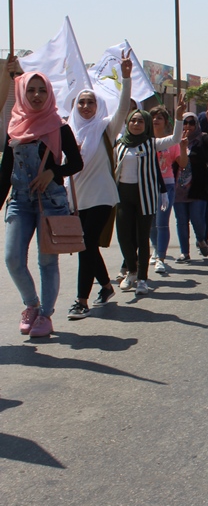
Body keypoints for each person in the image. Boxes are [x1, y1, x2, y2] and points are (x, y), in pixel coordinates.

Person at [0, 61, 84, 337]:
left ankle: (45, 316)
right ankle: (31, 304)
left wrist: (53, 172)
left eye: (42, 91)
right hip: (20, 201)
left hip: (51, 202)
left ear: (49, 94)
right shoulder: (15, 128)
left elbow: (76, 163)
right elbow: (5, 173)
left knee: (47, 261)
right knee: (12, 258)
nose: (36, 95)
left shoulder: (59, 128)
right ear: (23, 93)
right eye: (31, 90)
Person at [64, 52, 132, 320]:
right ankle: (105, 286)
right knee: (88, 246)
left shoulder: (105, 127)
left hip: (101, 198)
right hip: (76, 201)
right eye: (81, 102)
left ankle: (81, 301)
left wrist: (125, 78)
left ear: (98, 104)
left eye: (90, 102)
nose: (85, 106)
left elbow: (123, 108)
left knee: (86, 246)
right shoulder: (68, 131)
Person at [113, 101, 185, 294]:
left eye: (140, 121)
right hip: (123, 196)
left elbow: (176, 138)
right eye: (133, 121)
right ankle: (132, 271)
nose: (136, 124)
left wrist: (178, 117)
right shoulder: (119, 144)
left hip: (144, 196)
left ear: (146, 125)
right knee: (123, 237)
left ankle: (143, 279)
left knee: (142, 237)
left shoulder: (152, 143)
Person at [173, 111, 208, 262]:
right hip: (178, 189)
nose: (188, 126)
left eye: (191, 123)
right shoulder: (175, 140)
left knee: (197, 219)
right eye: (185, 122)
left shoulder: (202, 139)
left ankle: (201, 239)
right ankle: (184, 252)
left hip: (198, 187)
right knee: (181, 221)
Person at [149, 105, 188, 272]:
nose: (156, 120)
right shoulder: (145, 142)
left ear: (165, 122)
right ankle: (156, 248)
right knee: (150, 224)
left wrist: (183, 147)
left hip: (167, 185)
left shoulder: (171, 141)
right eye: (153, 117)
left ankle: (161, 258)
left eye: (159, 118)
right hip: (148, 185)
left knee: (162, 223)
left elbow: (183, 164)